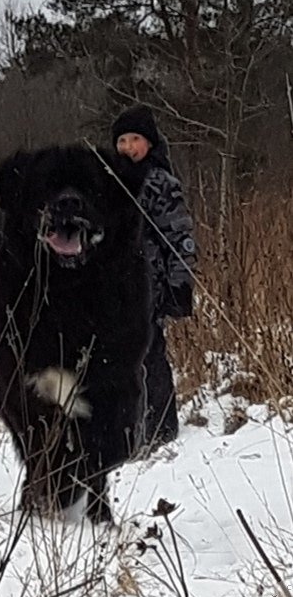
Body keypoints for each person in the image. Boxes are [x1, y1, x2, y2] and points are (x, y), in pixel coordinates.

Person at [112, 104, 196, 448]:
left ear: (149, 143)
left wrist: (180, 284)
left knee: (149, 355)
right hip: (112, 287)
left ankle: (161, 429)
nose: (129, 147)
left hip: (150, 285)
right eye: (122, 140)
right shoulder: (107, 181)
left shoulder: (162, 183)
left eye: (135, 139)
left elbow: (181, 238)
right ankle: (125, 432)